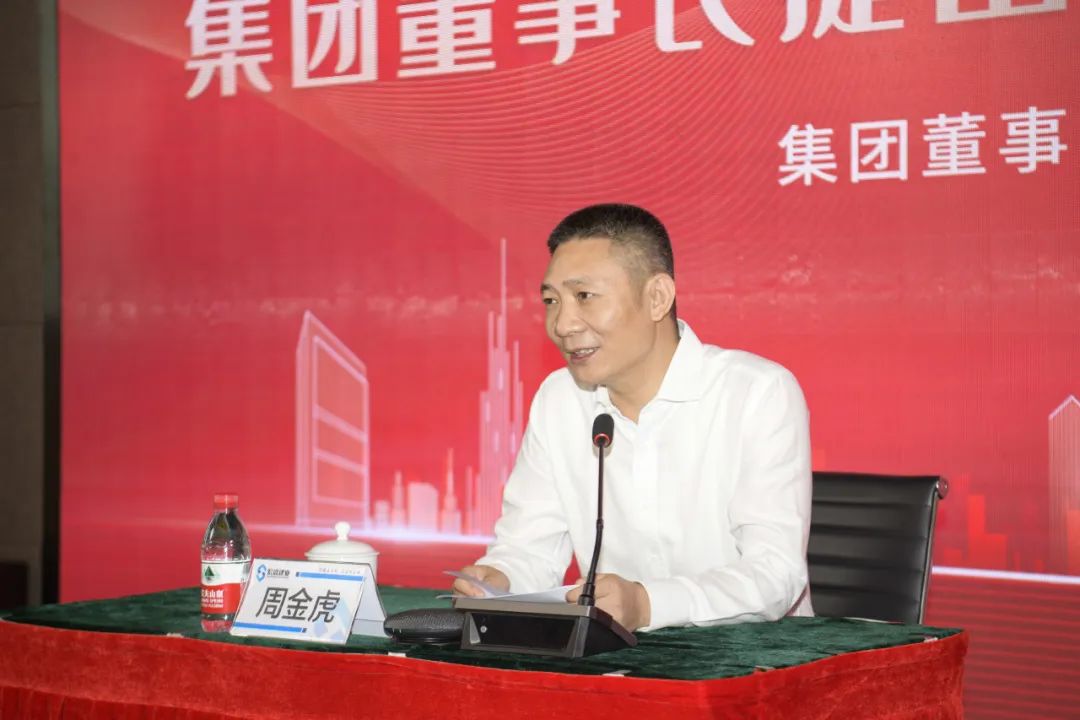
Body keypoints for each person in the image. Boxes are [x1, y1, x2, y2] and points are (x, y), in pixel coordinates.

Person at [453, 203, 813, 631]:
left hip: (756, 657)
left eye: (584, 296)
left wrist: (647, 604)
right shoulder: (559, 399)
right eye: (551, 300)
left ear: (657, 297)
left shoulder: (756, 393)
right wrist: (500, 581)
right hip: (618, 657)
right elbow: (528, 549)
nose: (563, 324)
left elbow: (774, 575)